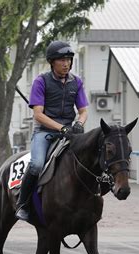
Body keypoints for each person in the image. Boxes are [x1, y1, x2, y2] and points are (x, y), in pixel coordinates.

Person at [15, 40, 89, 222]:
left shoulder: (76, 82)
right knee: (37, 164)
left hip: (71, 132)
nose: (66, 64)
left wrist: (79, 123)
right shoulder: (41, 82)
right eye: (61, 60)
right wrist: (61, 127)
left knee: (90, 158)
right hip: (45, 133)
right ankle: (23, 203)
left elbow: (83, 111)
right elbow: (38, 115)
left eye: (69, 60)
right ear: (52, 62)